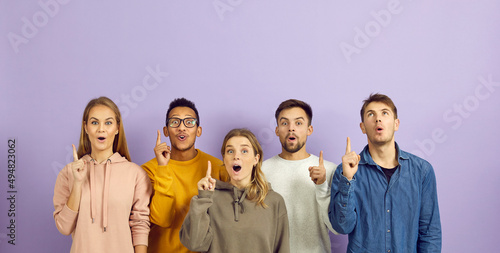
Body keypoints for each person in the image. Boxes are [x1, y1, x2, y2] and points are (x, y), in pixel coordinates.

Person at [329, 93, 442, 252]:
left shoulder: (422, 171)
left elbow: (430, 232)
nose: (378, 119)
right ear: (362, 127)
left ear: (396, 123)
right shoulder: (344, 171)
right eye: (371, 114)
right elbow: (342, 227)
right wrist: (347, 179)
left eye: (384, 113)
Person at [53, 96, 152, 253]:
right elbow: (64, 228)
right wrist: (77, 184)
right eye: (94, 122)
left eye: (108, 122)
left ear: (117, 128)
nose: (101, 129)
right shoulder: (68, 173)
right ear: (85, 128)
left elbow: (140, 225)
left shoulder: (136, 174)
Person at [180, 128, 290, 253]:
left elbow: (282, 249)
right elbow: (194, 244)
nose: (236, 156)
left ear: (256, 159)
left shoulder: (274, 201)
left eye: (244, 151)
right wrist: (203, 198)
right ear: (224, 159)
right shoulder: (209, 199)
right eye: (230, 151)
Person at [141, 98, 228, 253]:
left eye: (189, 122)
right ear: (166, 130)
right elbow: (162, 219)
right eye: (175, 122)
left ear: (198, 130)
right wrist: (163, 168)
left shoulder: (217, 167)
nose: (182, 127)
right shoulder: (149, 170)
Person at [262, 99, 337, 253]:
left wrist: (322, 185)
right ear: (277, 130)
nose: (291, 129)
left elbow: (337, 228)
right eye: (284, 123)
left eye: (298, 123)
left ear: (309, 129)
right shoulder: (261, 170)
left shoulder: (329, 170)